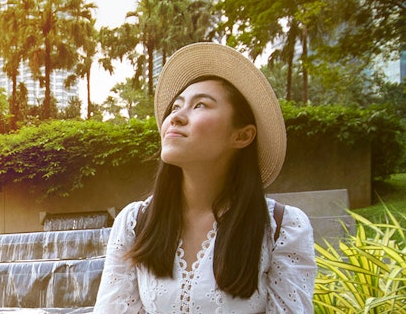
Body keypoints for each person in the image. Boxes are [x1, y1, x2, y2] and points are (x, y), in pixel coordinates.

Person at [93, 42, 316, 313]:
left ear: (242, 135)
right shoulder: (134, 222)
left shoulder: (282, 228)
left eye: (200, 105)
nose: (175, 118)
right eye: (175, 107)